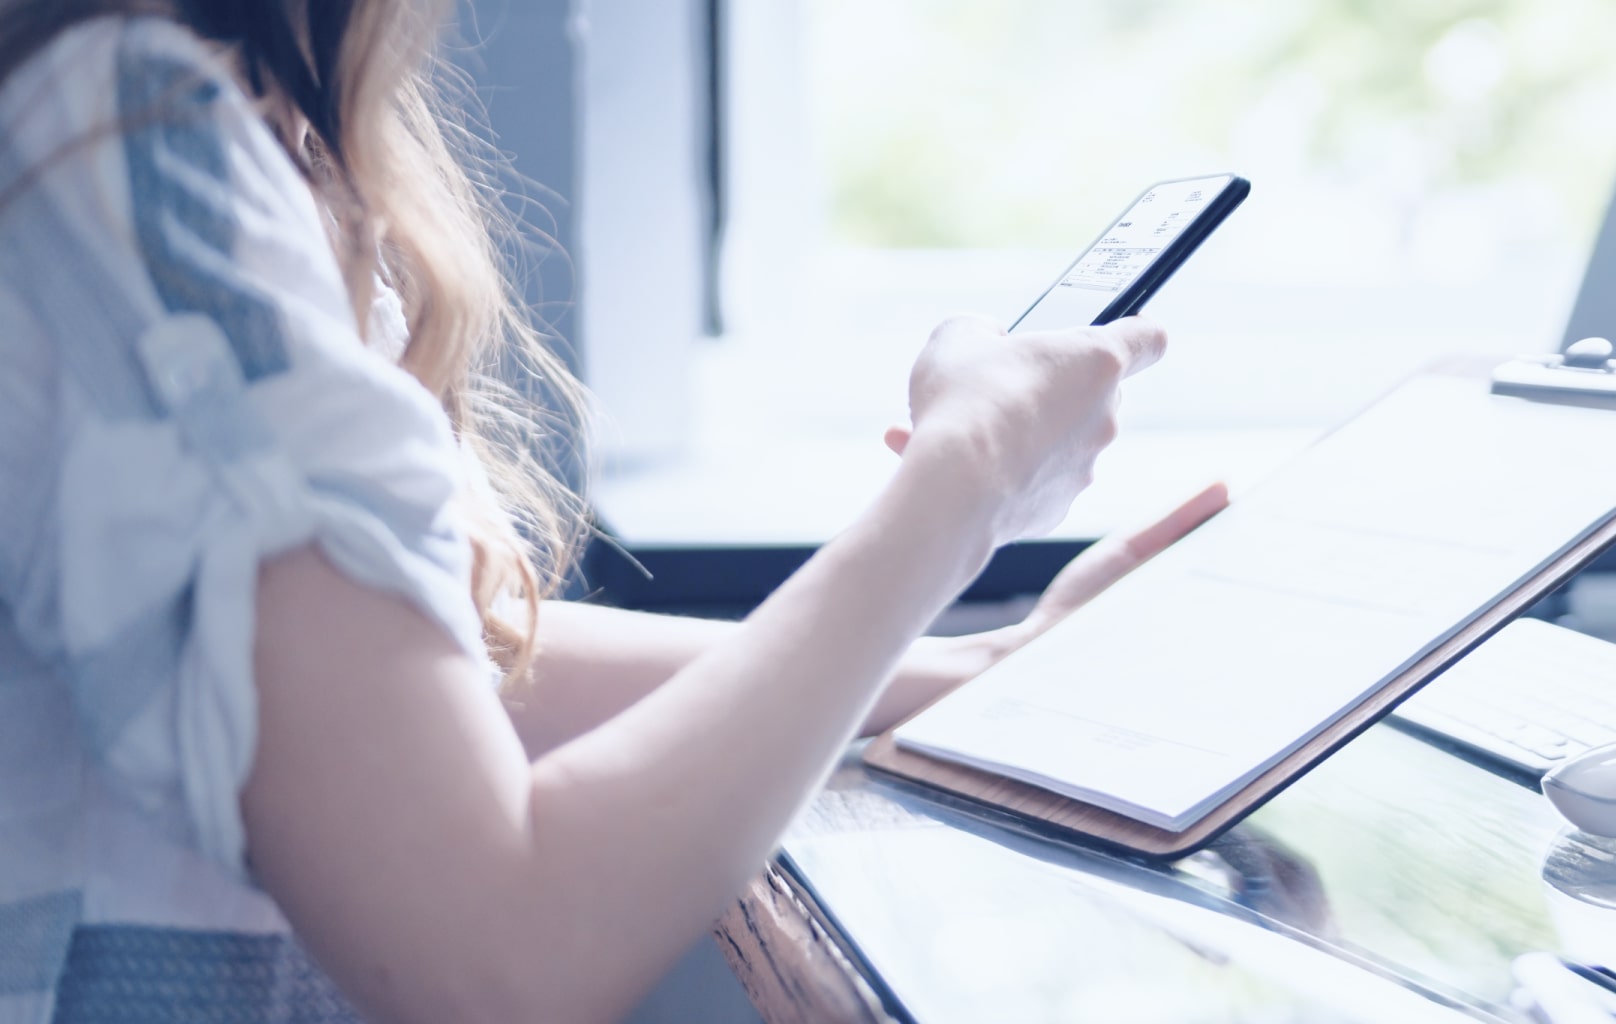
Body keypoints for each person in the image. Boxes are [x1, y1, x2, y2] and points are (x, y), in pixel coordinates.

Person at [0, 1, 1227, 1019]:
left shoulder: (218, 116)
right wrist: (967, 478)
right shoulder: (121, 152)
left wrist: (972, 667)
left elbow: (414, 673)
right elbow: (496, 952)